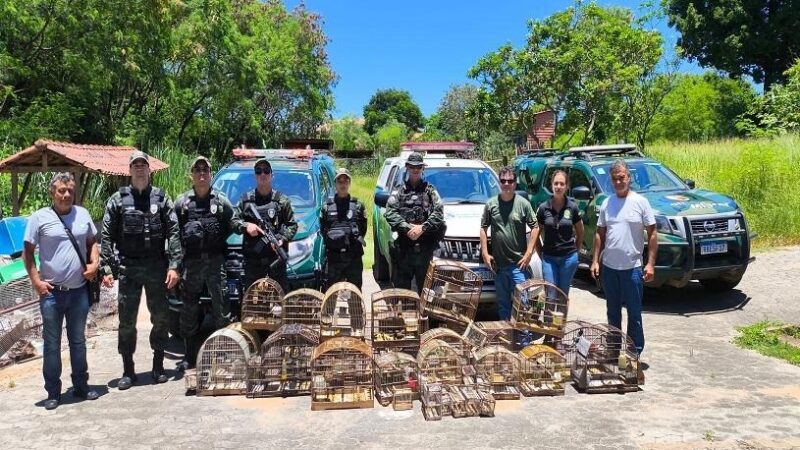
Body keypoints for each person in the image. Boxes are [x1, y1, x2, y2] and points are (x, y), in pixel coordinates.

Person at [100, 150, 182, 390]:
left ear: (149, 169)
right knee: (126, 321)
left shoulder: (161, 198)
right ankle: (128, 370)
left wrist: (175, 265)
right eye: (135, 165)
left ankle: (158, 366)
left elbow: (174, 233)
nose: (139, 168)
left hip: (157, 266)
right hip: (129, 267)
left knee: (161, 318)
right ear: (130, 170)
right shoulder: (117, 200)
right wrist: (107, 266)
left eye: (143, 165)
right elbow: (106, 235)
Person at [23, 173, 101, 410]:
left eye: (69, 190)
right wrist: (36, 282)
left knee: (78, 341)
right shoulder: (39, 218)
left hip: (78, 291)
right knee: (52, 343)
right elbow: (27, 251)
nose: (66, 195)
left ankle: (81, 386)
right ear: (52, 193)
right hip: (52, 294)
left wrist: (95, 264)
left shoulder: (82, 214)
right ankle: (53, 393)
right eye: (61, 191)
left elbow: (92, 243)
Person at [174, 156, 237, 371]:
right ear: (191, 174)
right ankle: (189, 355)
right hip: (191, 264)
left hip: (214, 262)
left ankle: (224, 354)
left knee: (222, 309)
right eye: (197, 170)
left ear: (211, 174)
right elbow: (174, 233)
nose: (201, 174)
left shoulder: (220, 201)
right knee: (189, 309)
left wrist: (245, 227)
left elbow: (233, 221)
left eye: (205, 170)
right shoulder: (182, 203)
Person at [590, 159, 657, 355]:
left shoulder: (640, 202)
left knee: (634, 315)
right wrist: (595, 261)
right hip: (610, 269)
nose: (619, 182)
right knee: (613, 313)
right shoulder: (607, 204)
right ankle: (613, 351)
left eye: (622, 178)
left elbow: (652, 233)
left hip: (633, 269)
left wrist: (651, 264)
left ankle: (633, 353)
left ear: (628, 177)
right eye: (615, 179)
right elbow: (599, 234)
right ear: (611, 181)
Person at [480, 166, 538, 321]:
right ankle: (506, 336)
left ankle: (523, 340)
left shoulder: (523, 204)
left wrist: (529, 253)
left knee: (523, 305)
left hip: (518, 266)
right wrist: (485, 253)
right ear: (499, 182)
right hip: (499, 266)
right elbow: (483, 229)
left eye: (510, 181)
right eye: (503, 181)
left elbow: (535, 228)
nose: (507, 184)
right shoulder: (491, 204)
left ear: (515, 183)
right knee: (503, 305)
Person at [384, 152, 445, 294]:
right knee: (402, 292)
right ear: (407, 167)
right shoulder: (398, 191)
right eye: (412, 167)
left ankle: (424, 316)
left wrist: (422, 228)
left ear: (423, 168)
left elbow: (439, 212)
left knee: (427, 291)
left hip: (424, 249)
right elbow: (390, 212)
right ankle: (406, 315)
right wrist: (407, 228)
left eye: (418, 167)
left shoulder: (430, 190)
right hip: (404, 249)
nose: (415, 170)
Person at [234, 157, 297, 293]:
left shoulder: (282, 201)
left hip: (275, 261)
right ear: (255, 176)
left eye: (266, 171)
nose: (263, 174)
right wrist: (246, 226)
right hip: (252, 263)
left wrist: (282, 239)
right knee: (252, 300)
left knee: (279, 298)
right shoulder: (245, 200)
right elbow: (233, 221)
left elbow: (292, 225)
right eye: (259, 171)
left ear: (271, 175)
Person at [532, 170, 584, 297]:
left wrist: (576, 250)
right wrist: (541, 252)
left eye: (562, 184)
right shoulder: (544, 208)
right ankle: (549, 318)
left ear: (567, 186)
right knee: (551, 294)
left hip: (568, 258)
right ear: (552, 185)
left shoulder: (572, 207)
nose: (558, 187)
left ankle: (561, 318)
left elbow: (580, 230)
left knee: (563, 295)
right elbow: (536, 234)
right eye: (556, 183)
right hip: (549, 258)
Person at [320, 168, 367, 290]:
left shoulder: (358, 206)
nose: (343, 184)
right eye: (339, 181)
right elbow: (323, 230)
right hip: (334, 258)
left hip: (353, 258)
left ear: (349, 183)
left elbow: (363, 229)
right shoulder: (326, 207)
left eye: (345, 181)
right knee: (331, 295)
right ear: (335, 184)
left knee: (355, 295)